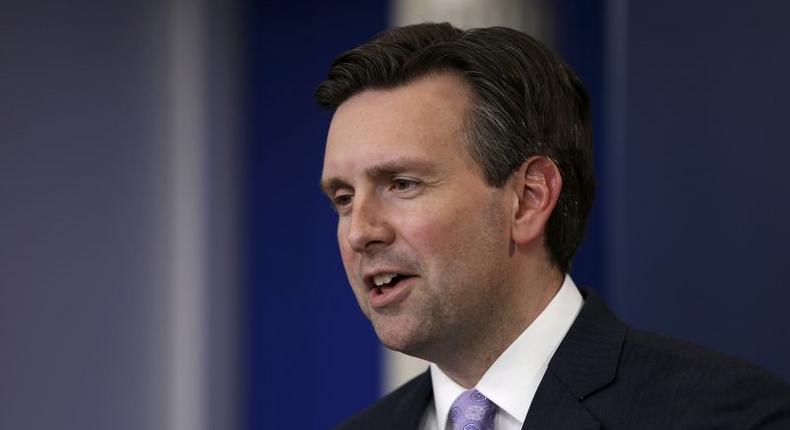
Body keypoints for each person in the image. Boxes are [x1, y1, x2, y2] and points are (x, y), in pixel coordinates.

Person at [316, 22, 790, 430]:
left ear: (528, 199)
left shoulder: (721, 415)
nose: (360, 232)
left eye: (401, 184)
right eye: (343, 198)